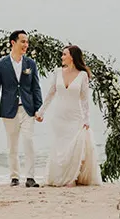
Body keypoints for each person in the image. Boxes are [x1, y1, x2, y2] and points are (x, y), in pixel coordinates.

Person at [37, 45, 101, 187]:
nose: (62, 57)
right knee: (60, 147)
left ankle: (71, 178)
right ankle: (60, 176)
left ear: (72, 56)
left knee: (73, 148)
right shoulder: (58, 71)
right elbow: (51, 93)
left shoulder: (83, 75)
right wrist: (41, 112)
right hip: (59, 116)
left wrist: (86, 119)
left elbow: (85, 99)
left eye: (64, 54)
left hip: (75, 117)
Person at [0, 30, 44, 187]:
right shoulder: (1, 65)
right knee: (12, 144)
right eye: (23, 41)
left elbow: (36, 87)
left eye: (27, 42)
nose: (26, 45)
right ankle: (14, 176)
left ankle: (30, 177)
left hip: (28, 108)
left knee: (29, 140)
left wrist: (39, 109)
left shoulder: (30, 64)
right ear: (13, 43)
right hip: (9, 109)